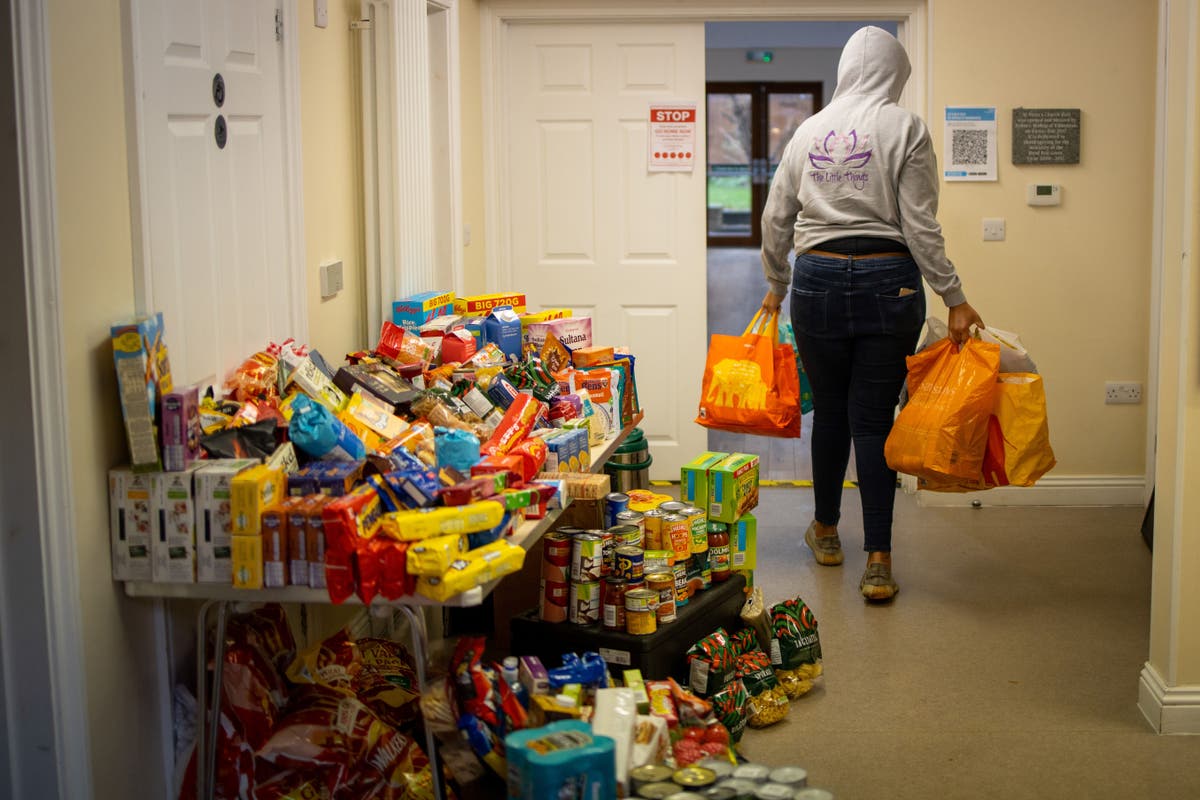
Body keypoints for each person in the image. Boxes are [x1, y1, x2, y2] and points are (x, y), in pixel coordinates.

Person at [759, 25, 984, 602]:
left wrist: (776, 284)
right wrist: (953, 295)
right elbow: (920, 225)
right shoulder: (905, 126)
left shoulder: (807, 130)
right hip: (892, 282)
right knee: (874, 420)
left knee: (830, 413)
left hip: (817, 278)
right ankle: (879, 559)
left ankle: (827, 532)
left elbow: (776, 218)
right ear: (894, 72)